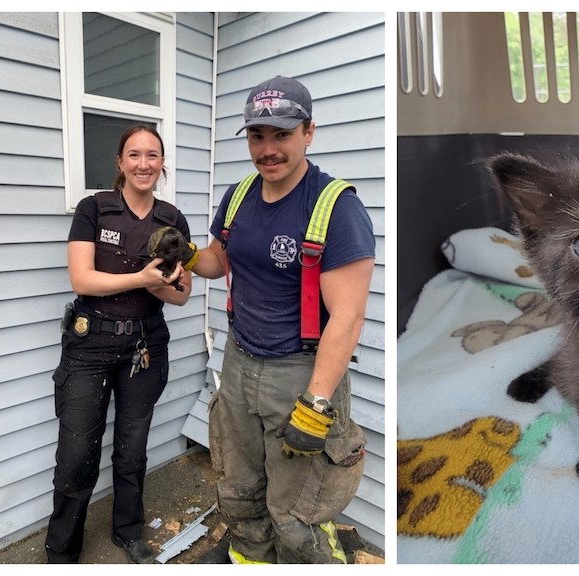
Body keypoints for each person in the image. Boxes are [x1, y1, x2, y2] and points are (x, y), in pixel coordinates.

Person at [189, 75, 375, 564]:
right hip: (238, 360)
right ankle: (249, 558)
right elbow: (218, 260)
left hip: (300, 373)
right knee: (239, 488)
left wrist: (316, 403)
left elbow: (349, 317)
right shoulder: (239, 195)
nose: (268, 149)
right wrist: (185, 255)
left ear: (309, 132)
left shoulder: (337, 208)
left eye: (281, 134)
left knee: (295, 511)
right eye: (257, 136)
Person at [45, 124, 194, 564]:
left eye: (152, 155)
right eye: (134, 155)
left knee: (132, 449)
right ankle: (62, 549)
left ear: (162, 163)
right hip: (89, 347)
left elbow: (182, 295)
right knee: (76, 455)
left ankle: (128, 530)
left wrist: (161, 284)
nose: (143, 164)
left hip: (144, 347)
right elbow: (81, 278)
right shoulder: (95, 209)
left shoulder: (172, 220)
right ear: (120, 163)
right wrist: (142, 277)